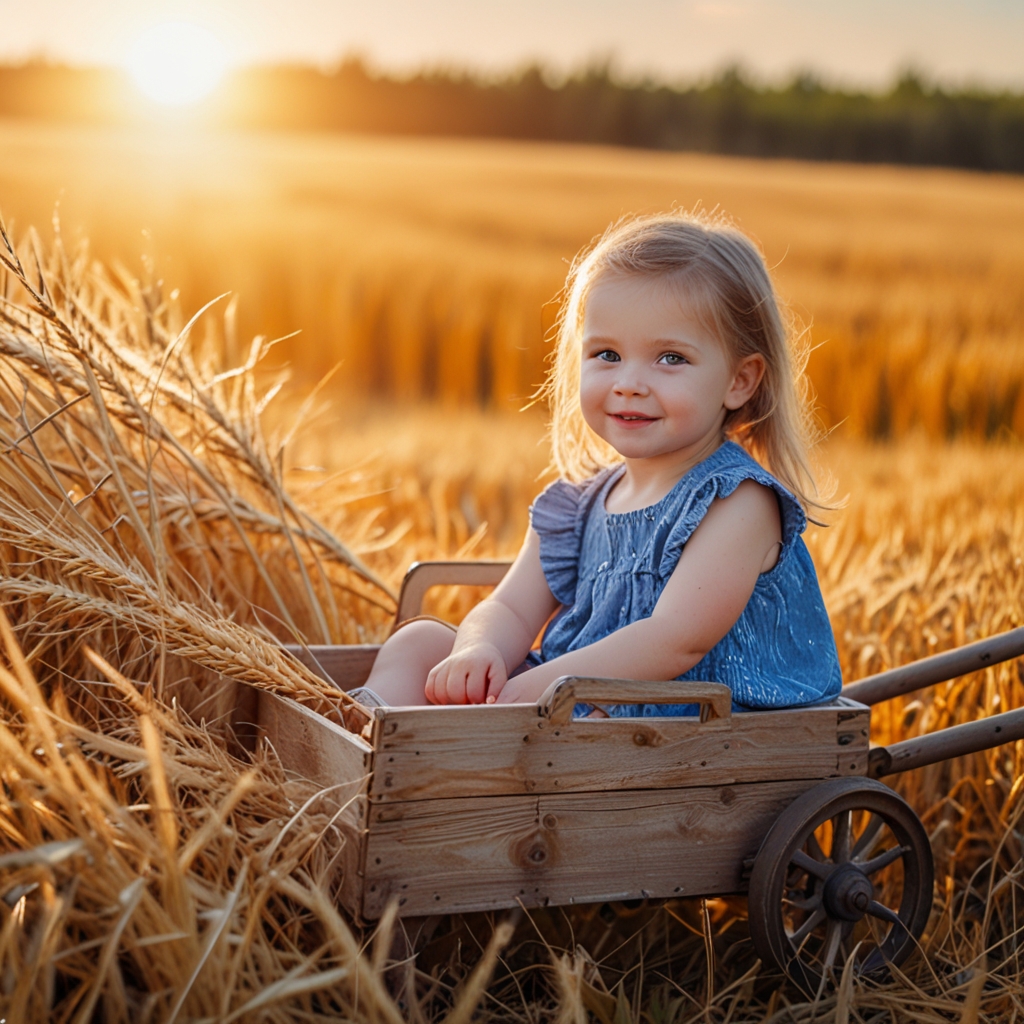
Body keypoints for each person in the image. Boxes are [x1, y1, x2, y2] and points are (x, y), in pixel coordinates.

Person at [354, 211, 842, 716]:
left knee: (583, 716)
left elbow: (676, 640)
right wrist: (481, 650)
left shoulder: (739, 503)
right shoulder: (578, 505)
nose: (628, 382)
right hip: (570, 705)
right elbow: (511, 607)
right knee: (422, 643)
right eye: (607, 354)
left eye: (670, 358)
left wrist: (540, 689)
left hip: (672, 724)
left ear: (740, 381)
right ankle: (358, 737)